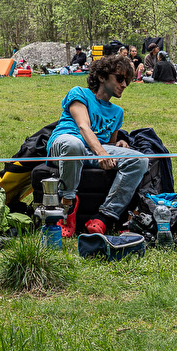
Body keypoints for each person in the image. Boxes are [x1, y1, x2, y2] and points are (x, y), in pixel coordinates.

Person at [49, 55, 148, 235]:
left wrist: (118, 145)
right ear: (102, 77)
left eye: (127, 81)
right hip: (65, 144)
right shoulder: (79, 93)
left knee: (139, 159)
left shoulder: (117, 112)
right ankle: (67, 207)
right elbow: (83, 127)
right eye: (119, 78)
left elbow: (108, 143)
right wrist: (102, 152)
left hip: (93, 151)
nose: (124, 85)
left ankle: (105, 217)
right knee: (74, 145)